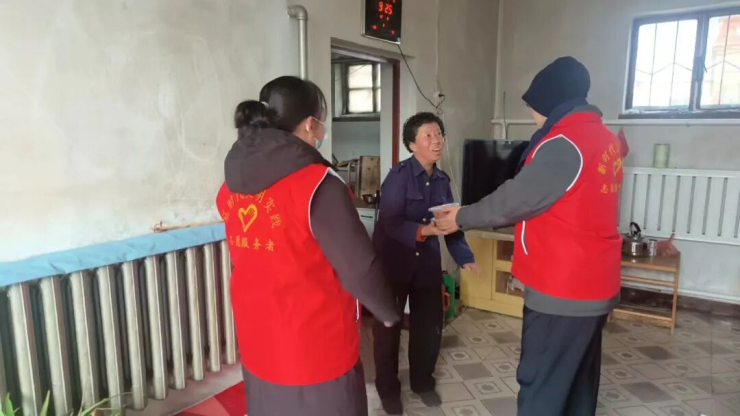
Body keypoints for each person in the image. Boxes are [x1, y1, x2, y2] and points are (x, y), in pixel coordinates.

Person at [435, 57, 624, 416]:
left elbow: (513, 201)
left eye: (534, 105)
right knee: (578, 384)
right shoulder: (604, 137)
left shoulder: (565, 144)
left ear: (551, 99)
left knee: (542, 386)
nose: (532, 113)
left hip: (562, 289)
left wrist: (461, 216)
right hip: (595, 283)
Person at [215, 76, 400, 416]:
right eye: (321, 124)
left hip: (257, 338)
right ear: (310, 124)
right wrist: (387, 311)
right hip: (315, 347)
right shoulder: (318, 185)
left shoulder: (230, 186)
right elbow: (359, 267)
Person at [372, 112, 479, 415]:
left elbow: (450, 222)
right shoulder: (398, 176)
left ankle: (423, 383)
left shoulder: (442, 181)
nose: (436, 141)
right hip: (393, 263)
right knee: (388, 329)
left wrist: (465, 258)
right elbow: (390, 223)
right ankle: (388, 390)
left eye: (439, 134)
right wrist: (424, 231)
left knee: (429, 326)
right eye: (428, 136)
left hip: (426, 265)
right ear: (411, 144)